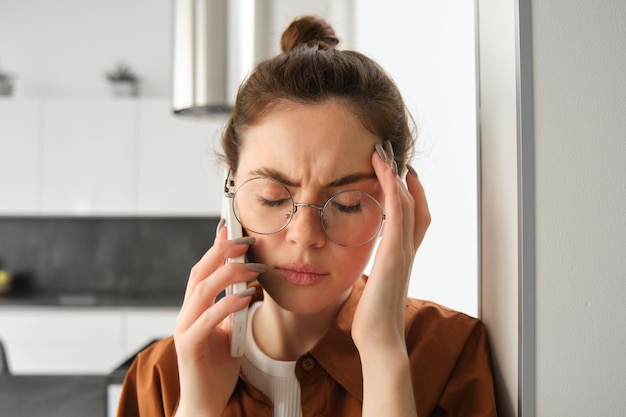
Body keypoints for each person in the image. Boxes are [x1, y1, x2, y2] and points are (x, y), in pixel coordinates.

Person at [117, 15, 497, 417]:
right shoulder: (160, 378)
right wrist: (197, 407)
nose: (305, 235)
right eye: (271, 197)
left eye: (347, 203)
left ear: (397, 204)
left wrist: (384, 354)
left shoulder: (451, 355)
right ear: (231, 194)